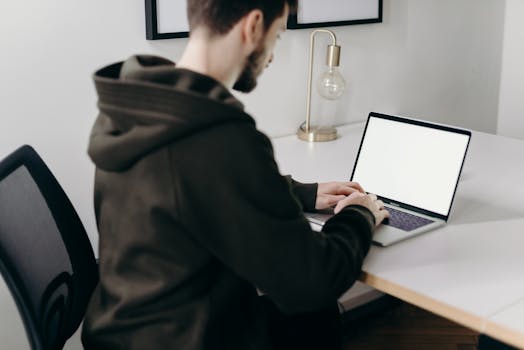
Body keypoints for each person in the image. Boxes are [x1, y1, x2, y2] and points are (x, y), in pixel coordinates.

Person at [81, 0, 389, 349]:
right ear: (253, 26)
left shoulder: (138, 105)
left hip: (125, 327)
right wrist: (359, 214)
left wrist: (302, 193)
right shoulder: (222, 138)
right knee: (316, 310)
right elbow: (314, 280)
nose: (272, 55)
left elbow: (189, 183)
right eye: (278, 34)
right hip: (190, 337)